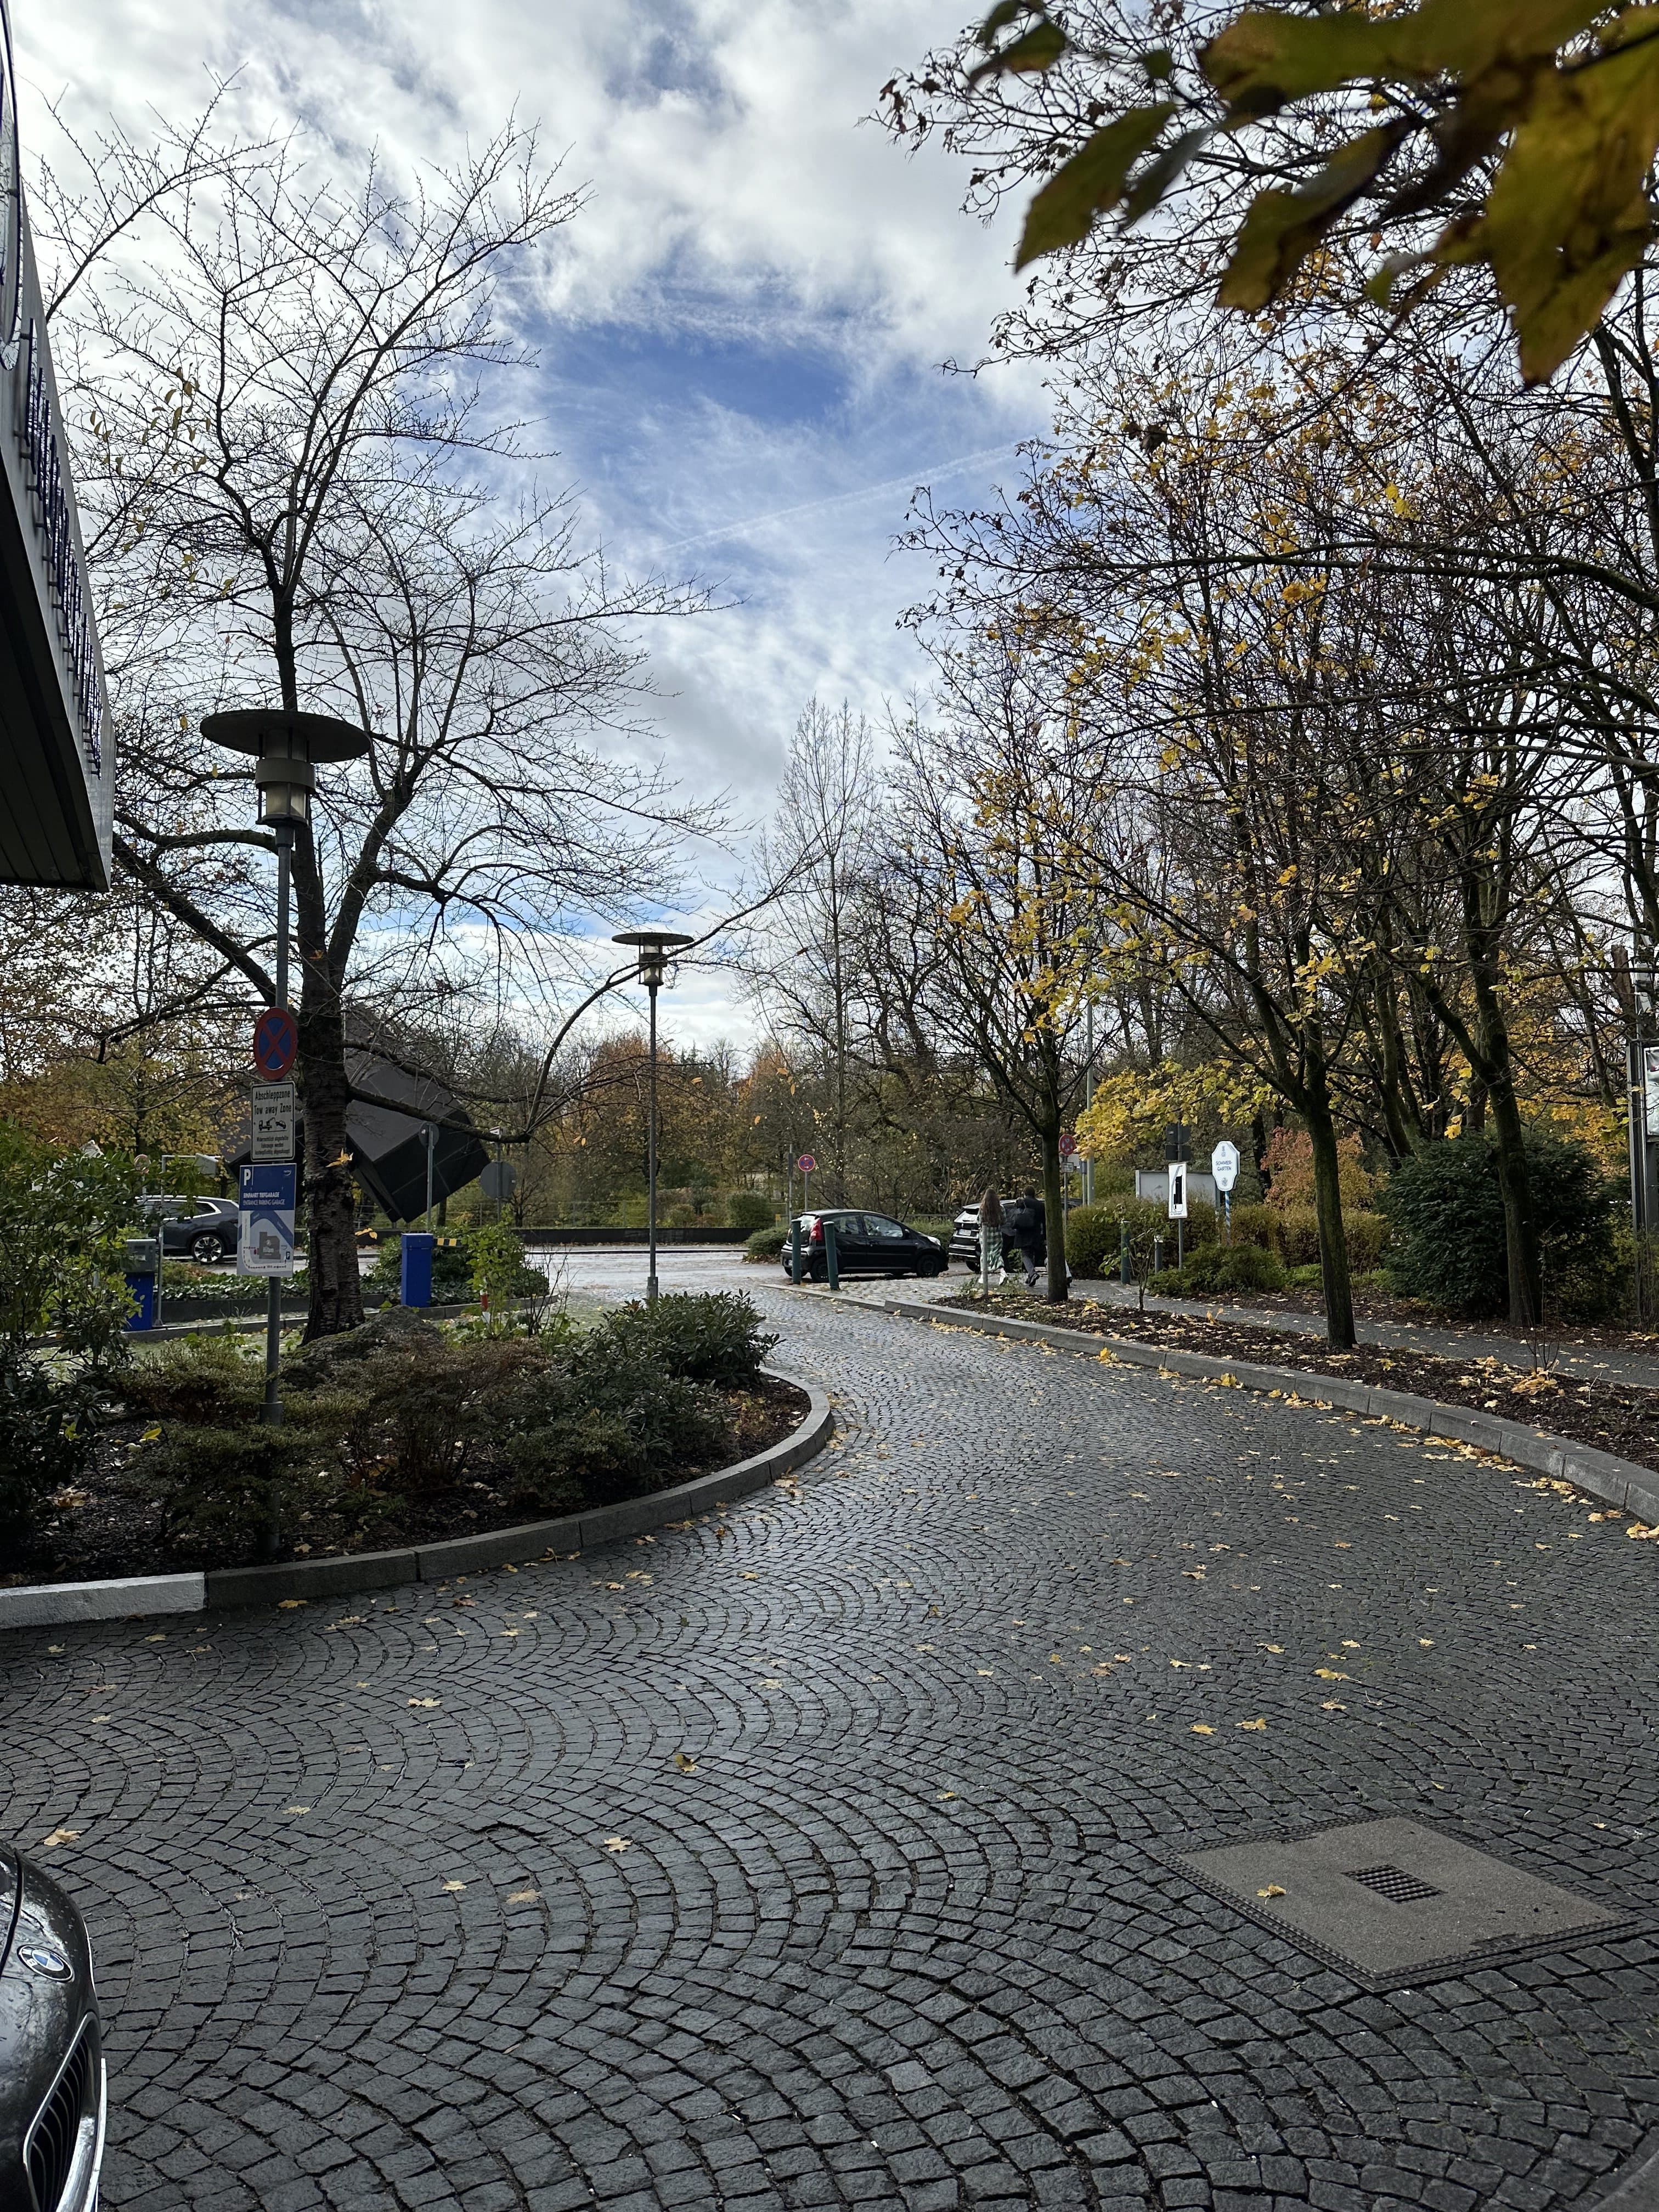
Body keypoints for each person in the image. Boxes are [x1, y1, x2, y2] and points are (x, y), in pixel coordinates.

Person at [1008, 1186, 1047, 1290]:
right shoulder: (1041, 1205)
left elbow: (1016, 1214)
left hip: (1024, 1233)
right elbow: (1044, 1222)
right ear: (1034, 1194)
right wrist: (1045, 1236)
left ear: (1025, 1194)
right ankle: (1030, 1278)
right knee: (1032, 1254)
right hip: (1036, 1234)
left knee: (1025, 1255)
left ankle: (1032, 1274)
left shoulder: (1022, 1202)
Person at [977, 1187, 1005, 1298]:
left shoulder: (983, 1208)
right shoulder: (1000, 1208)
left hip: (985, 1234)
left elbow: (979, 1221)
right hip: (997, 1234)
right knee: (997, 1254)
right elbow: (1004, 1220)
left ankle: (983, 1276)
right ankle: (1003, 1272)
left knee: (985, 1254)